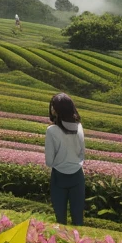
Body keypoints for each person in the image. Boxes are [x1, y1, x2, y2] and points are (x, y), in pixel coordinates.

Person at [45, 93, 85, 226]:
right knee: (78, 221)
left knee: (60, 221)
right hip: (78, 176)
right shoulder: (79, 127)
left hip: (59, 177)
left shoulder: (52, 130)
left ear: (55, 110)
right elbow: (82, 153)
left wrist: (61, 160)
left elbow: (49, 162)